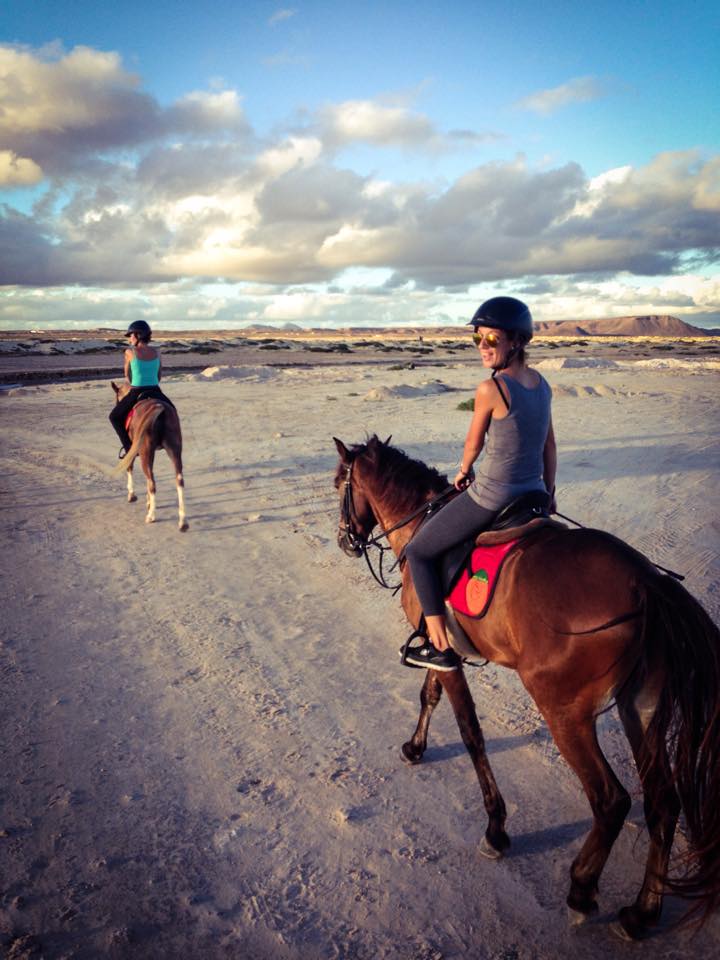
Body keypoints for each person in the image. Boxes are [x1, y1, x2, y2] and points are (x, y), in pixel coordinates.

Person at [403, 296, 557, 671]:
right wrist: (549, 493)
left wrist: (463, 470)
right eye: (478, 340)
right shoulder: (542, 384)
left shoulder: (492, 389)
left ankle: (438, 643)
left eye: (492, 340)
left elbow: (474, 442)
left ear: (517, 342)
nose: (483, 348)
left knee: (419, 551)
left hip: (493, 495)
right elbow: (549, 445)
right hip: (532, 494)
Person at [109, 320, 175, 458]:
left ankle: (129, 449)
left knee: (114, 417)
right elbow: (159, 375)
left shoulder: (129, 352)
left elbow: (127, 375)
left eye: (131, 335)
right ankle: (172, 441)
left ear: (138, 335)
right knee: (172, 411)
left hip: (137, 390)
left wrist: (137, 381)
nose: (130, 338)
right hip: (156, 390)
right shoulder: (157, 352)